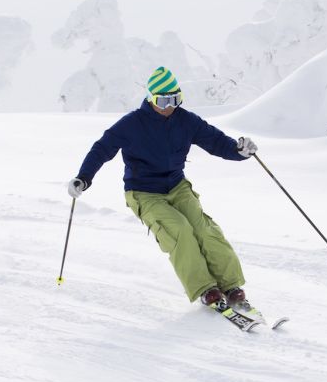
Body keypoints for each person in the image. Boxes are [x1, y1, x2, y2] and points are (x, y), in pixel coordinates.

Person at [67, 66, 258, 308]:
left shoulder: (185, 120)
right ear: (151, 98)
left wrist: (238, 151)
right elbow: (102, 149)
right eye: (164, 100)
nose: (170, 106)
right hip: (144, 192)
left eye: (175, 99)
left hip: (177, 186)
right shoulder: (132, 124)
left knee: (203, 228)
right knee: (179, 230)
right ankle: (205, 287)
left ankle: (230, 285)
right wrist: (83, 178)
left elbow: (215, 141)